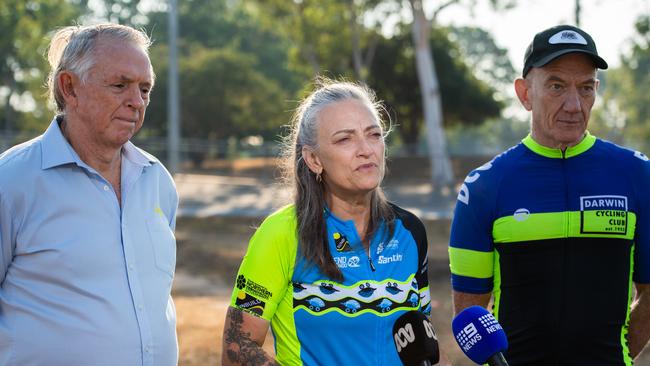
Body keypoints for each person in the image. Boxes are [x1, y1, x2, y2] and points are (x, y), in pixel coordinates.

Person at [449, 24, 650, 365]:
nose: (574, 104)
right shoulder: (483, 186)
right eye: (557, 86)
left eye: (586, 88)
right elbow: (470, 309)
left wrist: (618, 356)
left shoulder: (638, 175)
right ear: (525, 93)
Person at [221, 81, 441, 365]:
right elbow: (237, 346)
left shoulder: (411, 231)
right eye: (344, 139)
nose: (366, 149)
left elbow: (422, 338)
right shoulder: (281, 233)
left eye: (373, 134)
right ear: (313, 159)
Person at [0, 24, 178, 365]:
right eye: (120, 85)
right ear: (70, 88)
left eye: (145, 89)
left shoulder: (157, 180)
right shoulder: (12, 182)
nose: (136, 102)